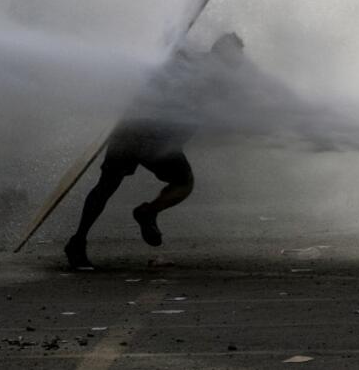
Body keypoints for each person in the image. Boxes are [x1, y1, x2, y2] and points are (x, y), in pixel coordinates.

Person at [64, 32, 245, 270]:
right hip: (153, 137)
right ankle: (147, 212)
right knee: (183, 183)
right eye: (235, 56)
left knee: (106, 186)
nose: (238, 62)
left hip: (132, 128)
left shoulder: (196, 64)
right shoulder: (209, 74)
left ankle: (78, 242)